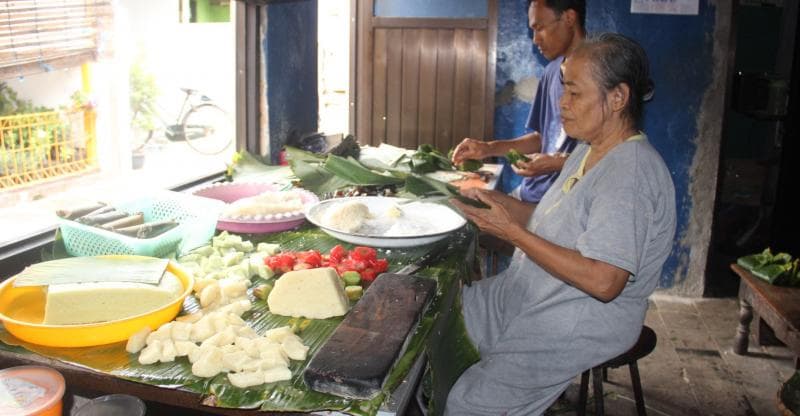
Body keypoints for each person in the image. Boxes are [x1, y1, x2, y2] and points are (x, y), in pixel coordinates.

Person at [445, 33, 677, 416]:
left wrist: (513, 233)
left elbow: (605, 282)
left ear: (618, 97)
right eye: (563, 90)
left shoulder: (630, 173)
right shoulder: (587, 149)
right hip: (533, 289)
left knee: (470, 404)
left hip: (579, 316)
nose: (562, 104)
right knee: (443, 317)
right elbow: (549, 222)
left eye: (574, 93)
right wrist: (485, 202)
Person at [451, 0, 585, 204]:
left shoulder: (603, 74)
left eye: (540, 28)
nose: (535, 39)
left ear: (569, 18)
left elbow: (609, 158)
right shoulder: (550, 72)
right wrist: (487, 148)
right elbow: (543, 137)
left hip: (561, 203)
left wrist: (558, 164)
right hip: (530, 193)